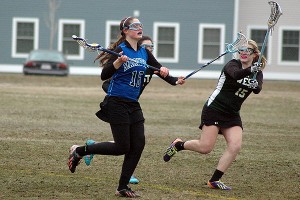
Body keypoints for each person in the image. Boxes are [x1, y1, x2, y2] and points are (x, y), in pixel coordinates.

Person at [67, 16, 184, 198]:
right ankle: (80, 151)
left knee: (138, 144)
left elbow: (157, 69)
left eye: (140, 25)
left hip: (133, 104)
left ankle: (122, 187)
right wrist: (118, 62)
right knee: (122, 146)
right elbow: (104, 74)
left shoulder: (144, 52)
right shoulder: (120, 50)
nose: (139, 28)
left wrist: (174, 79)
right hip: (116, 102)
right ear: (125, 31)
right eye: (135, 26)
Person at [163, 39, 266, 190]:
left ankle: (214, 180)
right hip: (215, 109)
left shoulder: (258, 72)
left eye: (247, 50)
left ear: (255, 54)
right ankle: (178, 145)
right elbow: (236, 75)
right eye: (241, 50)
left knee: (235, 146)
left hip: (232, 114)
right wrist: (250, 71)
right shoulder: (232, 65)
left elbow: (257, 89)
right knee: (205, 148)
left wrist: (254, 83)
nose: (243, 53)